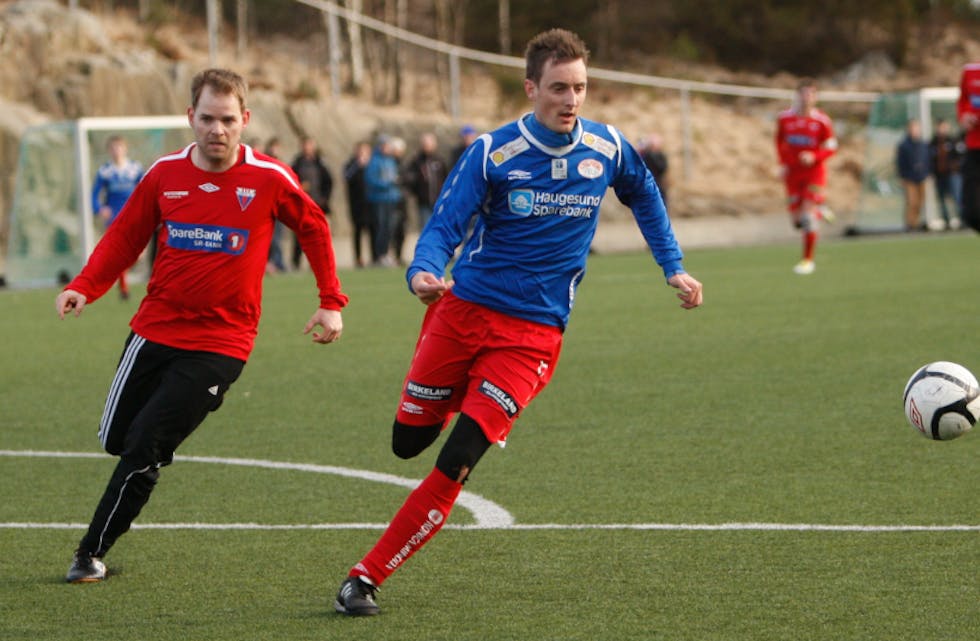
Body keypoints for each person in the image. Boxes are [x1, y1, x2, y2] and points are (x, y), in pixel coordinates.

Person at [331, 28, 703, 617]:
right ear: (532, 88)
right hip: (462, 316)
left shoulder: (606, 148)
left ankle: (365, 577)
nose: (571, 99)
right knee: (407, 443)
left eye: (580, 87)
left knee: (456, 459)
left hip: (531, 339)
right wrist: (422, 272)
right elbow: (443, 226)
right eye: (558, 88)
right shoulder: (492, 152)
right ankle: (464, 394)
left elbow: (645, 194)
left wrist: (672, 266)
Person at [56, 68, 348, 584]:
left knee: (145, 448)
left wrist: (331, 301)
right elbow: (125, 236)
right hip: (153, 330)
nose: (218, 129)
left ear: (245, 121)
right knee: (117, 438)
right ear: (191, 117)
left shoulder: (270, 178)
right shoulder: (164, 174)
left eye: (228, 120)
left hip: (221, 343)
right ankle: (133, 470)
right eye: (208, 118)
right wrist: (85, 285)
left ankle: (90, 552)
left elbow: (315, 228)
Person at [775, 78, 837, 275]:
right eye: (803, 93)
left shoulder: (822, 121)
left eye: (811, 94)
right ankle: (820, 208)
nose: (806, 97)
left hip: (814, 174)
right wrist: (783, 164)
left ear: (815, 97)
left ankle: (807, 260)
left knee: (807, 217)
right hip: (793, 174)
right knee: (797, 222)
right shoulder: (785, 119)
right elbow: (779, 142)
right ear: (797, 95)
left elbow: (831, 147)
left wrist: (815, 156)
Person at [91, 135, 144, 299]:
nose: (116, 151)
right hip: (115, 217)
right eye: (113, 148)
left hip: (134, 216)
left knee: (136, 255)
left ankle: (121, 278)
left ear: (125, 149)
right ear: (109, 151)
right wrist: (100, 208)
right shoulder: (105, 171)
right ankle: (124, 288)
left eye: (119, 147)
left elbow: (146, 189)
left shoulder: (135, 169)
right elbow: (94, 195)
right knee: (121, 251)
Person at [290, 135, 334, 269]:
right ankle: (296, 263)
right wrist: (299, 189)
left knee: (319, 235)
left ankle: (318, 264)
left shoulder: (320, 163)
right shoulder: (297, 163)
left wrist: (324, 198)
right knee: (299, 235)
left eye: (310, 145)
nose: (307, 148)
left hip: (318, 204)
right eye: (305, 145)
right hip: (302, 204)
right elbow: (290, 181)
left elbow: (329, 182)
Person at [364, 135, 403, 266]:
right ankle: (379, 255)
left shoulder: (391, 160)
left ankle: (387, 253)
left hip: (391, 198)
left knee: (390, 227)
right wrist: (387, 184)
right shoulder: (374, 161)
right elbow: (371, 180)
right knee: (380, 227)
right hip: (379, 199)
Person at [404, 131, 449, 232]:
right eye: (425, 144)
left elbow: (447, 178)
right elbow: (409, 178)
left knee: (438, 230)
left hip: (438, 201)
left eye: (429, 143)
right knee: (426, 229)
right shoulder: (417, 161)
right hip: (423, 202)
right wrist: (416, 192)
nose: (427, 146)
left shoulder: (439, 160)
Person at [896, 118, 932, 232]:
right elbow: (900, 162)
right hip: (909, 178)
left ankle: (916, 223)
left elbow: (928, 160)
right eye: (913, 128)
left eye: (917, 128)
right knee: (912, 202)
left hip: (921, 177)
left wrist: (927, 172)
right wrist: (902, 176)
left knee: (920, 202)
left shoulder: (923, 144)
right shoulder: (903, 145)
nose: (915, 130)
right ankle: (910, 224)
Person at [957, 62, 980, 233]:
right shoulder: (970, 71)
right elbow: (963, 101)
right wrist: (964, 116)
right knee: (970, 213)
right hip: (974, 148)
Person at [344, 140, 375, 267]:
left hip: (372, 203)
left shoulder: (374, 164)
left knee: (374, 230)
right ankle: (358, 258)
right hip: (356, 204)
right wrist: (358, 165)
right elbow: (346, 176)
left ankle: (375, 257)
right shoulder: (352, 164)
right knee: (358, 231)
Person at [929, 119, 964, 230]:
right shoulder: (933, 142)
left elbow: (959, 156)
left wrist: (955, 167)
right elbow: (930, 159)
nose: (942, 129)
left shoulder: (952, 141)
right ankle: (946, 221)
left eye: (944, 127)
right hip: (939, 175)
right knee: (941, 199)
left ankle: (962, 220)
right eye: (940, 127)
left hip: (952, 175)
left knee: (956, 198)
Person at [264, 136, 288, 272]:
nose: (275, 150)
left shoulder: (282, 166)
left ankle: (278, 262)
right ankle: (268, 263)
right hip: (266, 207)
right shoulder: (264, 164)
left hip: (279, 206)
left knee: (277, 237)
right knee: (269, 238)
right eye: (273, 147)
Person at [639, 132, 669, 206]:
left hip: (658, 183)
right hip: (647, 184)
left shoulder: (659, 155)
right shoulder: (646, 155)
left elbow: (662, 168)